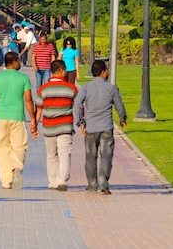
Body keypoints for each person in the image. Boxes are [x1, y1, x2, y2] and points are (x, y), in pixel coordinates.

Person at [73, 59, 127, 195]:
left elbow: (78, 104)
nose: (108, 72)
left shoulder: (85, 88)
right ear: (103, 72)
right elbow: (119, 106)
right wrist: (123, 119)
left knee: (91, 157)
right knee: (106, 156)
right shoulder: (111, 88)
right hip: (106, 127)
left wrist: (80, 121)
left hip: (90, 127)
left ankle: (92, 185)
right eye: (107, 70)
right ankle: (103, 185)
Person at [0, 52, 38, 189]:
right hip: (18, 117)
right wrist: (32, 118)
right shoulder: (23, 78)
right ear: (14, 62)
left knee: (2, 148)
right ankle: (17, 166)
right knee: (19, 145)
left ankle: (6, 181)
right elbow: (28, 100)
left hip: (1, 117)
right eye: (18, 61)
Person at [35, 60, 77, 191]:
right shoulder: (71, 88)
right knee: (64, 154)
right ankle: (62, 181)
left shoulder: (43, 89)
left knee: (51, 155)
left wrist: (35, 125)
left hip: (48, 127)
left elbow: (40, 109)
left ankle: (52, 182)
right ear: (62, 70)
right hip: (65, 126)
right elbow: (78, 105)